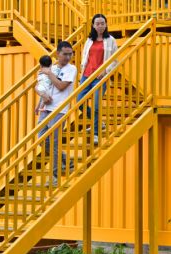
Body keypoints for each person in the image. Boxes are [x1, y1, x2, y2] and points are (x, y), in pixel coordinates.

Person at [35, 41, 77, 187]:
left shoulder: (71, 69)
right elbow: (46, 85)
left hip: (59, 109)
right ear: (57, 54)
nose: (67, 57)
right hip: (46, 108)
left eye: (70, 54)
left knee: (54, 143)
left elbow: (60, 86)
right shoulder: (52, 68)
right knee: (41, 138)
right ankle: (65, 160)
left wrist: (50, 73)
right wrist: (39, 103)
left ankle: (54, 175)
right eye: (65, 54)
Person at [78, 13, 118, 144]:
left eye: (102, 23)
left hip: (100, 77)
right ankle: (98, 122)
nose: (100, 26)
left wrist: (105, 70)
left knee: (96, 105)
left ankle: (95, 132)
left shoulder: (111, 40)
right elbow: (85, 57)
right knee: (79, 102)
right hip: (86, 75)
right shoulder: (89, 40)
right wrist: (81, 73)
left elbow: (114, 60)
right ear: (93, 25)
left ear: (106, 24)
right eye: (97, 24)